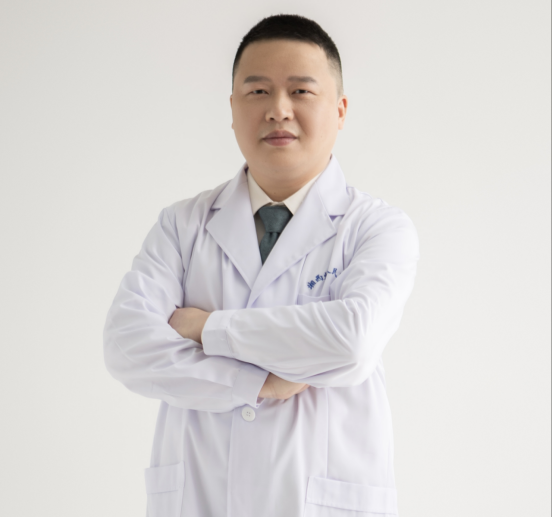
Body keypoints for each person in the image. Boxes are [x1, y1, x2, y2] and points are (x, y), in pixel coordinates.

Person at [103, 14, 419, 517]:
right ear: (232, 109)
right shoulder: (183, 225)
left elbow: (351, 341)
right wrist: (258, 383)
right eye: (258, 92)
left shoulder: (377, 228)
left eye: (301, 91)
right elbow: (127, 345)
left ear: (339, 110)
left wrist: (207, 328)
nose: (278, 110)